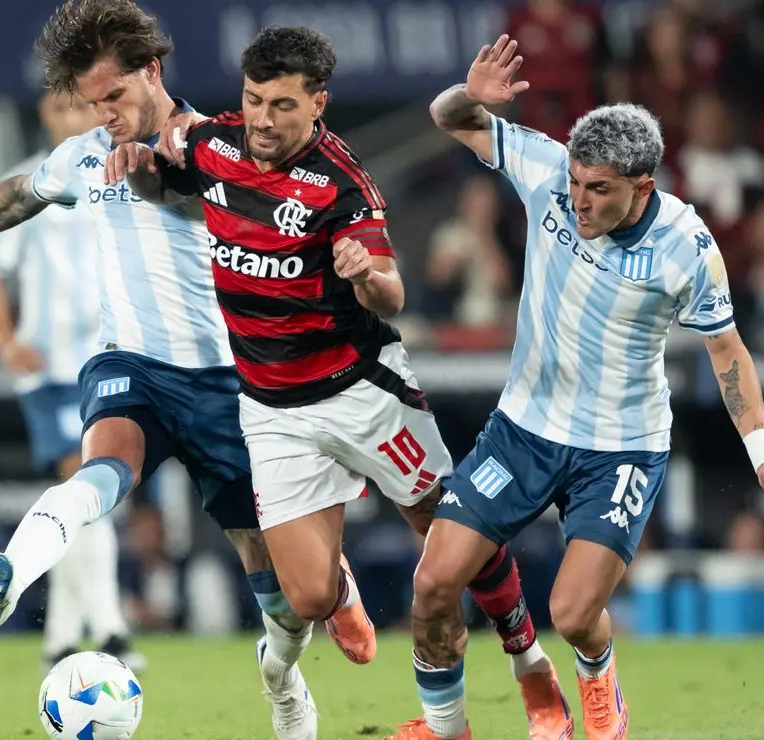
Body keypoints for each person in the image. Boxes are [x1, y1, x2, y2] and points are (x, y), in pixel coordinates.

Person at [0, 3, 364, 734]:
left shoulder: (224, 148)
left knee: (291, 600)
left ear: (152, 72)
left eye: (115, 97)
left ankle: (283, 675)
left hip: (235, 388)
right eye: (91, 102)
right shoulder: (85, 154)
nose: (104, 114)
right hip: (132, 365)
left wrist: (164, 177)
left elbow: (272, 213)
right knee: (99, 473)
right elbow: (19, 194)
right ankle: (10, 578)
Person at [108, 26, 561, 740]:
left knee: (452, 540)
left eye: (282, 106)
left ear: (318, 104)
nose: (262, 119)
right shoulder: (214, 144)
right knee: (309, 597)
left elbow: (393, 293)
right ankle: (338, 586)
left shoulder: (344, 186)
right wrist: (135, 162)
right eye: (255, 100)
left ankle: (527, 657)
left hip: (363, 392)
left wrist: (366, 276)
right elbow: (164, 180)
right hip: (272, 408)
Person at [384, 35, 764, 740]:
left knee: (572, 614)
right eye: (576, 182)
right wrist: (471, 92)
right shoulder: (543, 171)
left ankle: (598, 681)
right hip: (526, 427)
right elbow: (451, 118)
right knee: (434, 582)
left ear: (643, 188)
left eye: (599, 189)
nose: (580, 200)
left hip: (620, 447)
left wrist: (762, 457)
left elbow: (727, 349)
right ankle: (447, 730)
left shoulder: (686, 247)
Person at [0, 86, 145, 673]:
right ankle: (113, 630)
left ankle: (61, 640)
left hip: (109, 358)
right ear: (43, 113)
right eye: (59, 108)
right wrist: (4, 342)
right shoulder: (29, 182)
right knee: (84, 486)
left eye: (81, 107)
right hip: (50, 370)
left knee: (87, 500)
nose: (71, 118)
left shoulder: (119, 173)